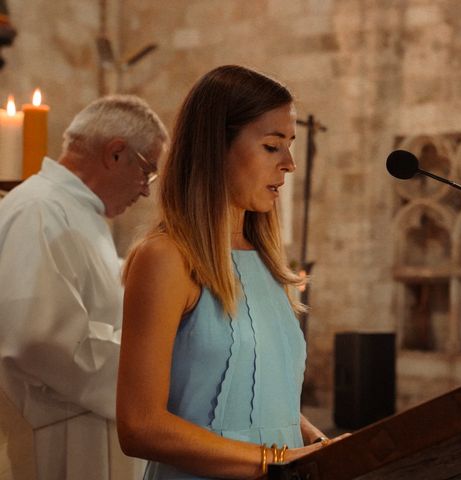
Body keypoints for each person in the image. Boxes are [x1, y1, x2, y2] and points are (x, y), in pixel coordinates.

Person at [117, 65, 339, 479]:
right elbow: (139, 425)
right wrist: (274, 461)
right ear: (215, 146)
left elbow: (269, 398)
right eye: (273, 146)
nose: (289, 164)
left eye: (290, 145)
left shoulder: (270, 262)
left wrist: (313, 442)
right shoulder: (167, 258)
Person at [0, 94, 169, 480]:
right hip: (58, 440)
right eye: (148, 171)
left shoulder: (77, 211)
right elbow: (39, 340)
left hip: (85, 426)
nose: (146, 189)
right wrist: (150, 361)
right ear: (115, 154)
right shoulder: (38, 210)